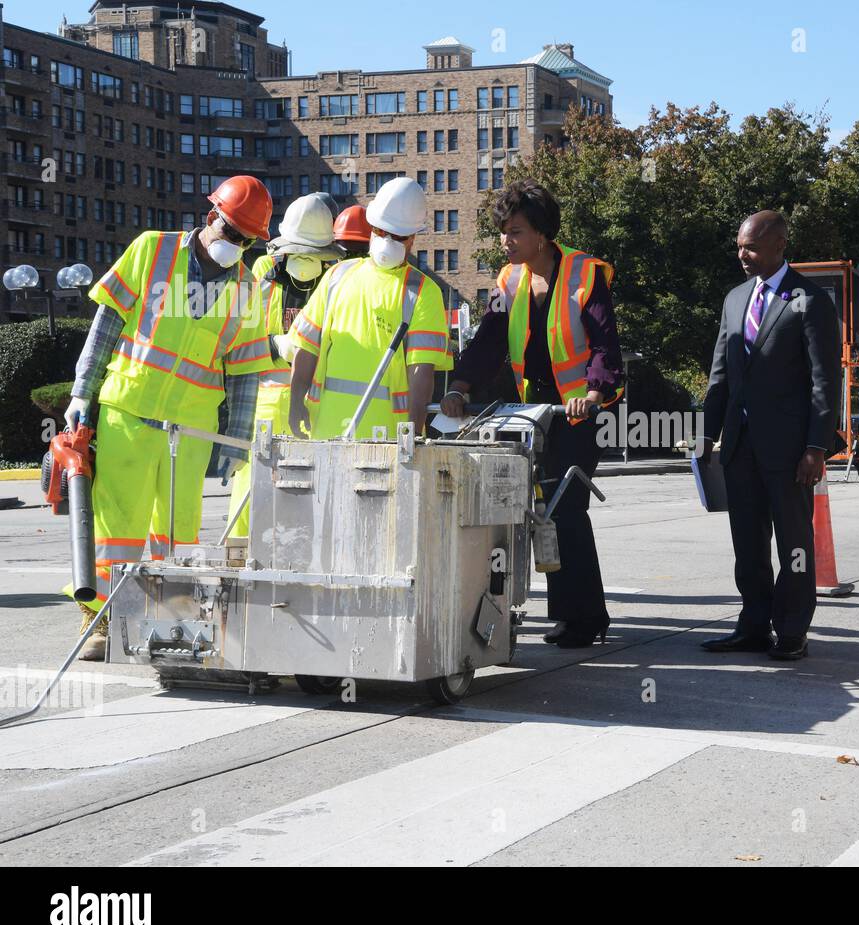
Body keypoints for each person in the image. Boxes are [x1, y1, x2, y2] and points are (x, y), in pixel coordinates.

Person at [63, 175, 277, 659]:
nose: (237, 247)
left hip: (192, 429)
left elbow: (244, 371)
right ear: (210, 219)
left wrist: (236, 439)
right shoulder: (151, 251)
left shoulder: (247, 288)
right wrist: (82, 391)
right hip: (129, 413)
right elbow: (106, 326)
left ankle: (172, 622)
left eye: (247, 240)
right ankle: (98, 621)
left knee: (179, 532)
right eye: (233, 233)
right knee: (117, 525)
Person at [440, 179, 623, 648]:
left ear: (541, 233)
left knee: (566, 511)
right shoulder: (510, 280)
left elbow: (604, 344)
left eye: (515, 232)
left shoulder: (585, 274)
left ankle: (587, 617)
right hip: (533, 413)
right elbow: (489, 339)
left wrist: (596, 392)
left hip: (577, 412)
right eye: (503, 232)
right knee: (541, 515)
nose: (506, 241)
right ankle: (566, 614)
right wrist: (459, 386)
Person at [698, 210, 841, 661]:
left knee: (794, 543)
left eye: (752, 247)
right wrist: (705, 437)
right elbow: (720, 375)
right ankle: (753, 626)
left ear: (780, 245)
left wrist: (817, 447)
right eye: (740, 246)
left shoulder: (811, 300)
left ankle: (793, 629)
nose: (743, 255)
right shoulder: (735, 299)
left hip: (791, 451)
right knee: (749, 545)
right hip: (739, 449)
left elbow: (825, 380)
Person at [288, 177, 451, 440]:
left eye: (397, 236)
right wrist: (295, 402)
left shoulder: (422, 292)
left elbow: (421, 373)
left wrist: (412, 434)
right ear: (371, 227)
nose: (387, 240)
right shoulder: (338, 275)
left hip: (386, 439)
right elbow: (306, 346)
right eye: (381, 231)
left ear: (412, 238)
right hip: (325, 432)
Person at [225, 193, 342, 537]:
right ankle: (241, 551)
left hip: (316, 401)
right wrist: (277, 346)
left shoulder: (336, 277)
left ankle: (298, 553)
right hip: (265, 398)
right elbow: (236, 341)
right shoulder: (263, 272)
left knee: (308, 489)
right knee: (251, 483)